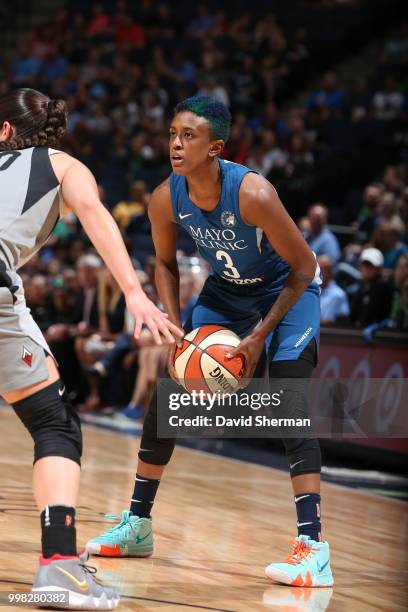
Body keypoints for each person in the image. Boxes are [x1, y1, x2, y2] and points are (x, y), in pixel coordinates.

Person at [87, 96, 334, 588]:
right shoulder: (165, 196)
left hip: (288, 291)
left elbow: (306, 267)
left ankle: (314, 549)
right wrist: (177, 331)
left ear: (215, 147)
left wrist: (261, 335)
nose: (176, 144)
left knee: (288, 403)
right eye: (173, 134)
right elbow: (163, 263)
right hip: (225, 291)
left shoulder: (253, 194)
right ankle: (138, 525)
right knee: (169, 398)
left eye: (189, 136)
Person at [0, 88, 183, 610]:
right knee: (54, 424)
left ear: (6, 131)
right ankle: (59, 565)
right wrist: (133, 292)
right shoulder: (64, 165)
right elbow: (95, 216)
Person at [318, 255, 349, 325]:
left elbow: (328, 321)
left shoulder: (338, 294)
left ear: (330, 273)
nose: (319, 274)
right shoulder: (311, 291)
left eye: (322, 270)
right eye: (317, 270)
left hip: (332, 334)